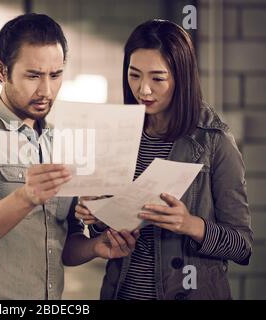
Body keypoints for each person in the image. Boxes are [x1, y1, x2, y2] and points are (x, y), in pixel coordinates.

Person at [0, 13, 136, 300]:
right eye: (33, 76)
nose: (46, 91)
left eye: (55, 75)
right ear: (1, 70)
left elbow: (62, 243)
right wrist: (26, 197)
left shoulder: (61, 138)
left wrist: (96, 246)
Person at [62, 19, 253, 300]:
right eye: (134, 75)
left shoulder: (214, 141)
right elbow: (103, 231)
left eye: (157, 78)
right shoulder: (117, 133)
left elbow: (243, 246)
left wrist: (189, 224)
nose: (143, 90)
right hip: (121, 291)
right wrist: (98, 214)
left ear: (181, 78)